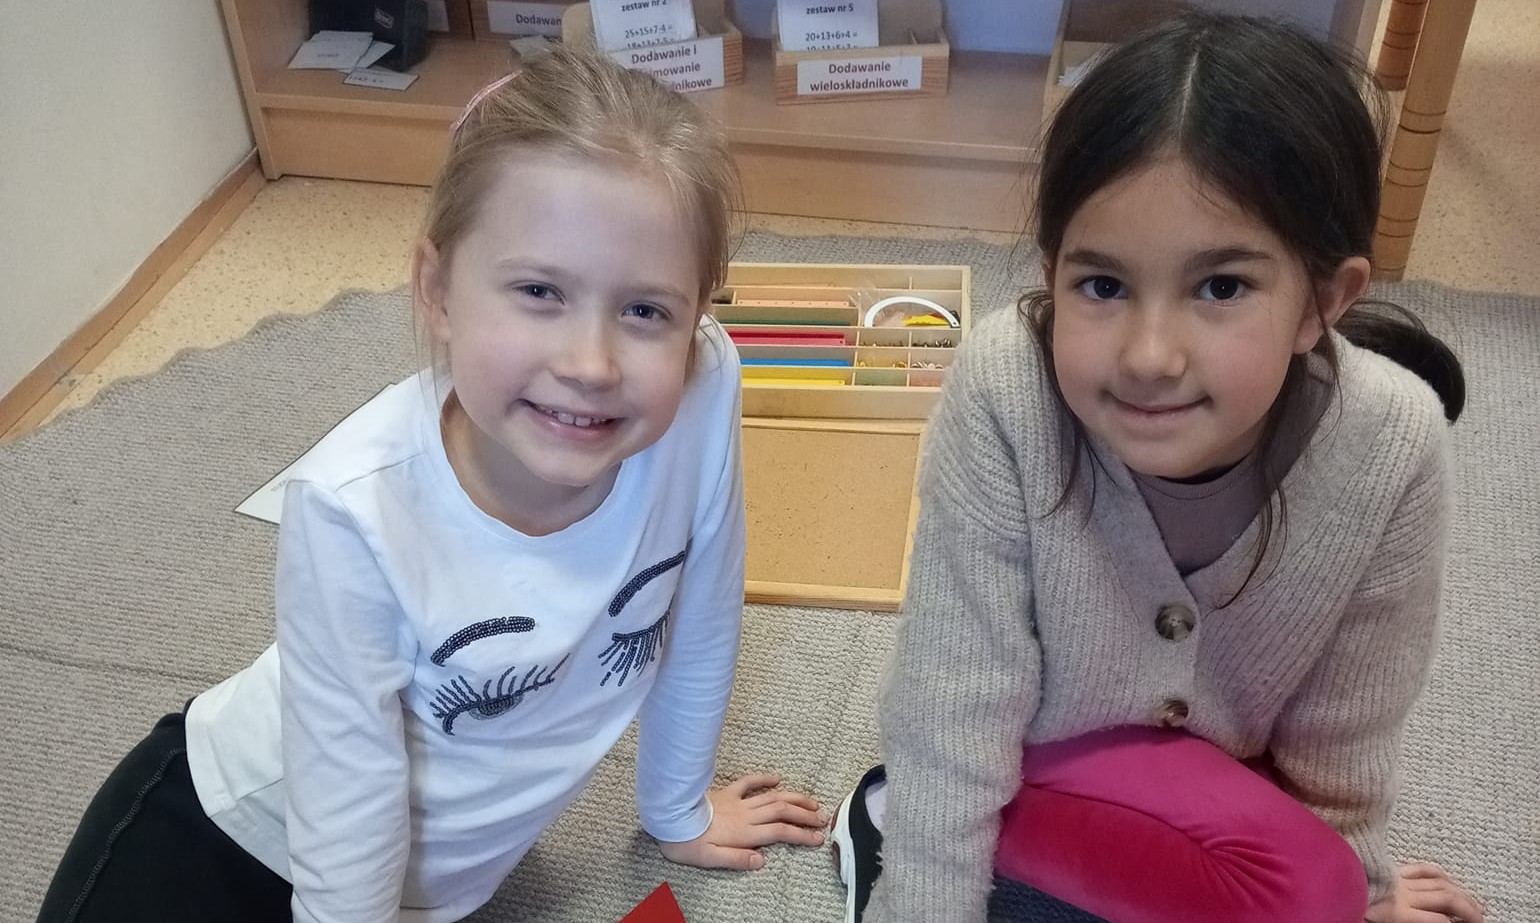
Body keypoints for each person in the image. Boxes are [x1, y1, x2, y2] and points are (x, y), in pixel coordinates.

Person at [38, 47, 826, 923]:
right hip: (235, 829)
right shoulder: (354, 504)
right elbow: (353, 797)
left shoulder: (705, 385)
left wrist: (676, 807)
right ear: (438, 290)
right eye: (539, 290)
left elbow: (705, 603)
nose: (592, 363)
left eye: (647, 311)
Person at [831, 11, 1484, 923]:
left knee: (1312, 891)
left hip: (1212, 784)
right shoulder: (1006, 386)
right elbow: (955, 702)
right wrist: (924, 900)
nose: (1147, 355)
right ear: (1051, 273)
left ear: (1321, 304)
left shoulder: (1393, 441)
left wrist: (1352, 889)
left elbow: (1347, 733)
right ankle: (881, 821)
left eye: (1221, 287)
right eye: (1101, 285)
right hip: (1022, 761)